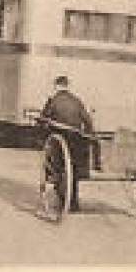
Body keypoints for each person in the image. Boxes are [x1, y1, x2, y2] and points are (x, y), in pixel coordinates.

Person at [38, 75, 97, 210]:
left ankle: (61, 194)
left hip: (59, 142)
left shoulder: (54, 101)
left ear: (57, 86)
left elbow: (43, 118)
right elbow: (87, 120)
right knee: (74, 170)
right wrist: (90, 134)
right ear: (67, 86)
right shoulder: (76, 100)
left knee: (58, 166)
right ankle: (74, 202)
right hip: (76, 141)